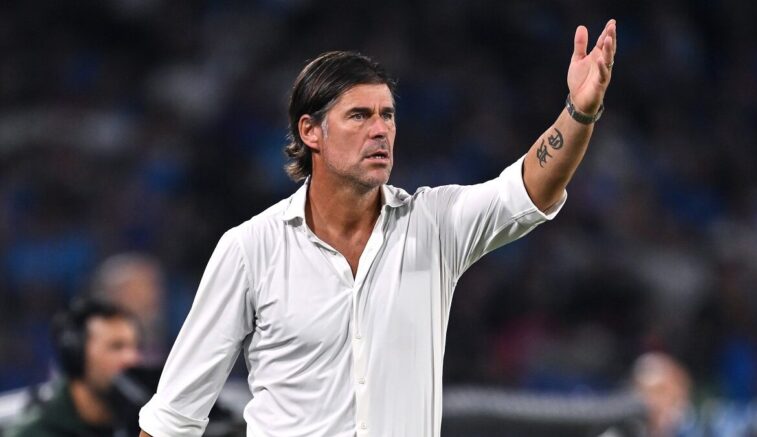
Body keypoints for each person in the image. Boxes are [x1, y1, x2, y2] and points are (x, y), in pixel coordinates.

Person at [139, 19, 617, 437]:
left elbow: (528, 188)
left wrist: (580, 112)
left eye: (387, 115)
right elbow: (173, 417)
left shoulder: (434, 226)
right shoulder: (250, 249)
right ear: (310, 131)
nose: (380, 129)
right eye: (359, 116)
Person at [8, 298, 141, 437]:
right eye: (116, 347)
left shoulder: (142, 420)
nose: (131, 359)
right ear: (76, 354)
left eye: (135, 347)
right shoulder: (35, 433)